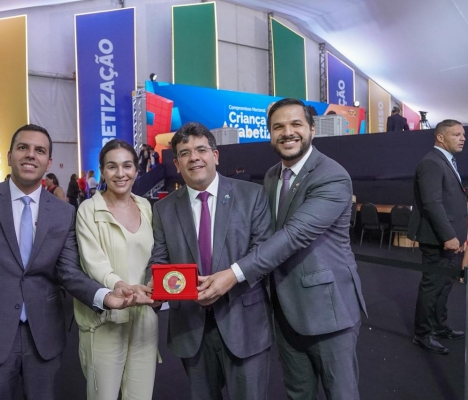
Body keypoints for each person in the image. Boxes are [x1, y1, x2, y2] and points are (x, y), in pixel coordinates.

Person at [0, 124, 152, 399]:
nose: (31, 155)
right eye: (23, 148)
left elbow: (68, 272)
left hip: (44, 337)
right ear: (9, 156)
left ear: (48, 162)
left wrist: (105, 297)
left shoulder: (63, 212)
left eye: (39, 150)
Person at [199, 98, 367, 399]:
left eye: (295, 124)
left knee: (341, 394)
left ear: (312, 129)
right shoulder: (272, 176)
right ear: (270, 134)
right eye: (278, 127)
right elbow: (263, 234)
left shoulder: (331, 175)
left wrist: (233, 274)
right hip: (285, 310)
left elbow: (293, 236)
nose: (287, 132)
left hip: (329, 311)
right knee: (297, 393)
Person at [147, 122, 273, 400]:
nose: (194, 157)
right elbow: (160, 259)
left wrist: (232, 276)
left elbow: (264, 252)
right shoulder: (164, 208)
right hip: (191, 328)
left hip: (244, 324)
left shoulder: (252, 195)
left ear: (215, 156)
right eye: (185, 153)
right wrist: (153, 288)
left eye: (201, 149)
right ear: (176, 164)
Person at [75, 139, 158, 399]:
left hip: (144, 317)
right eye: (112, 167)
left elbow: (155, 257)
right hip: (106, 319)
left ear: (136, 169)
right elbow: (93, 262)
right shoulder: (88, 210)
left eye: (127, 166)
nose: (120, 173)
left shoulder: (145, 206)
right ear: (102, 171)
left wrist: (157, 285)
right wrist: (119, 286)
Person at [408, 119, 467, 355]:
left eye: (463, 135)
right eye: (456, 135)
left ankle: (439, 327)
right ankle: (422, 333)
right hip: (438, 239)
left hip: (451, 238)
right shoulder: (431, 162)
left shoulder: (446, 161)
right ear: (440, 138)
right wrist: (449, 236)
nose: (463, 139)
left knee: (444, 285)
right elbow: (432, 203)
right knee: (432, 286)